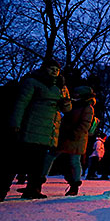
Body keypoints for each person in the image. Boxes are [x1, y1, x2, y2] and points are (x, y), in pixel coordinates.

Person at [6, 59, 72, 199]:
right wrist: (15, 124)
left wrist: (65, 102)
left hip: (48, 131)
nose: (55, 71)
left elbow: (67, 109)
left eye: (57, 69)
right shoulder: (33, 82)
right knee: (17, 160)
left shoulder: (61, 86)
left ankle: (33, 189)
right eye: (51, 68)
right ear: (44, 68)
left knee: (39, 162)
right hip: (31, 126)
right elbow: (21, 103)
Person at [42, 86, 96, 196]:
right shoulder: (74, 105)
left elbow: (85, 124)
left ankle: (74, 185)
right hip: (65, 136)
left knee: (73, 161)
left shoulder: (87, 108)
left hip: (76, 138)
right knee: (52, 157)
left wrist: (74, 134)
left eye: (77, 95)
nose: (75, 96)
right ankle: (38, 181)